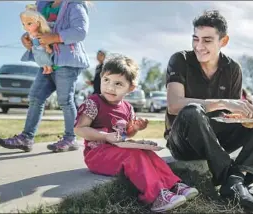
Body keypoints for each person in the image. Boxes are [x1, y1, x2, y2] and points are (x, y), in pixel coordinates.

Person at [165, 10, 253, 212]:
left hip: (217, 137)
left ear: (223, 41)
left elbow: (230, 115)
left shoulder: (232, 68)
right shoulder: (180, 60)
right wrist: (222, 101)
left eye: (207, 40)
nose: (199, 46)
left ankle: (241, 177)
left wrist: (246, 119)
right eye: (195, 39)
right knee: (192, 110)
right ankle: (231, 180)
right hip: (184, 140)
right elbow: (174, 105)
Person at [74, 54, 199, 212]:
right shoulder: (94, 102)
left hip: (117, 151)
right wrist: (105, 136)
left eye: (118, 83)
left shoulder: (127, 108)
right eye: (106, 80)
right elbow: (79, 129)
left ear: (130, 88)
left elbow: (126, 135)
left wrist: (135, 129)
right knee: (134, 156)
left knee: (146, 153)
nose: (110, 87)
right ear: (101, 78)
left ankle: (173, 185)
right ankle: (156, 196)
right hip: (97, 155)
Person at [0, 0, 90, 153]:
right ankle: (26, 138)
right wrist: (27, 37)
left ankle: (70, 138)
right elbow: (36, 26)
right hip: (47, 62)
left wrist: (54, 38)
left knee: (65, 101)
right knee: (35, 97)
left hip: (67, 63)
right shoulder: (43, 6)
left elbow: (80, 32)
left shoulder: (74, 5)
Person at [20, 4, 55, 74]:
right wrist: (25, 38)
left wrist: (47, 47)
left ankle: (49, 68)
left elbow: (45, 40)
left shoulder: (41, 32)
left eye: (29, 24)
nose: (25, 27)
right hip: (35, 48)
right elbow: (27, 38)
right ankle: (44, 68)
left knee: (45, 57)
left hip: (42, 47)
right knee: (39, 59)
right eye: (23, 24)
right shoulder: (30, 33)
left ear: (38, 23)